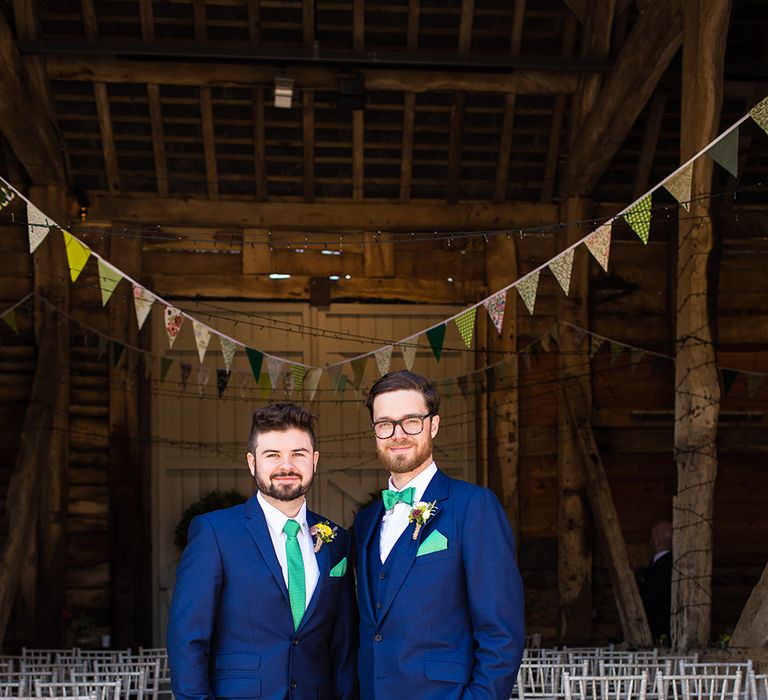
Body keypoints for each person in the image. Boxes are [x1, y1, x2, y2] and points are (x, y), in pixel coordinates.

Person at [167, 403, 358, 700]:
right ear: (252, 462)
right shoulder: (215, 533)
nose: (286, 466)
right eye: (272, 455)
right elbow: (188, 639)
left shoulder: (338, 541)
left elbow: (343, 643)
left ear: (314, 460)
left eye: (298, 454)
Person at [354, 370, 525, 700]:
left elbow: (501, 631)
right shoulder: (366, 521)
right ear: (375, 431)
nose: (398, 434)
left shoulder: (474, 506)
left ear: (433, 425)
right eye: (385, 424)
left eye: (412, 421)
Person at [638, 520, 673, 641]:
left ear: (656, 542)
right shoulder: (671, 563)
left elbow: (651, 596)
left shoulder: (662, 566)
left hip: (658, 630)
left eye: (651, 536)